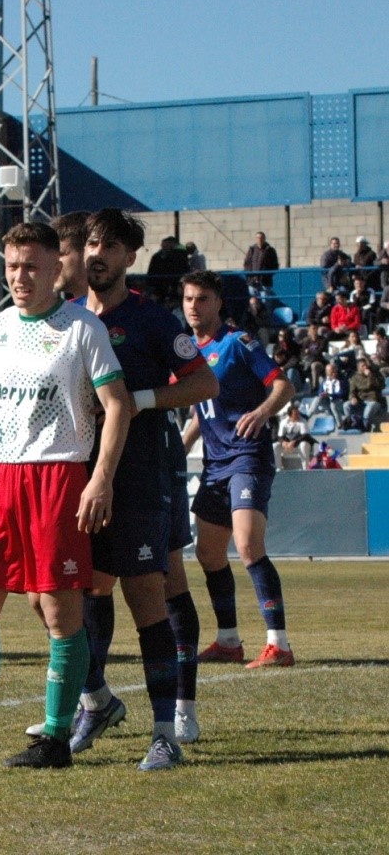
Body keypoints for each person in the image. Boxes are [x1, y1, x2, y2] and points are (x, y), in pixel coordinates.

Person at [0, 221, 130, 769]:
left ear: (57, 269)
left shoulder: (82, 328)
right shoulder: (0, 326)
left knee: (60, 612)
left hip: (57, 478)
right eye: (12, 266)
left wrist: (100, 478)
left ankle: (56, 739)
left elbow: (118, 405)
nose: (19, 276)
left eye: (31, 266)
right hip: (0, 481)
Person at [49, 209, 218, 770]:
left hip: (141, 474)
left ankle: (167, 730)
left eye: (111, 246)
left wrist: (140, 399)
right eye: (92, 243)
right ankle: (96, 702)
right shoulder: (68, 318)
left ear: (130, 257)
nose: (98, 254)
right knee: (77, 594)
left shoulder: (151, 320)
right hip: (77, 474)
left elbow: (205, 383)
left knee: (147, 593)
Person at [182, 271, 297, 669]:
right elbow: (201, 411)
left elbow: (283, 386)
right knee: (208, 553)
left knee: (247, 544)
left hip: (247, 456)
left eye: (202, 299)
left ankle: (279, 644)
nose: (194, 306)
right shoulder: (188, 353)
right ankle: (229, 640)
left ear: (218, 303)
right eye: (188, 299)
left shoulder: (237, 342)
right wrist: (182, 446)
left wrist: (263, 412)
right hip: (215, 465)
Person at [50, 211, 90, 299]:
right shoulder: (67, 307)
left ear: (87, 253)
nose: (50, 263)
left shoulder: (120, 305)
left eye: (60, 254)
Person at [243, 231, 279, 298]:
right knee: (254, 301)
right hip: (252, 282)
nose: (259, 239)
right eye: (257, 238)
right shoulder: (252, 249)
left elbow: (275, 265)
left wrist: (267, 275)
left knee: (265, 300)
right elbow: (247, 264)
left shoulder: (270, 250)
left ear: (264, 238)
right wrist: (250, 275)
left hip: (265, 282)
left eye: (261, 238)